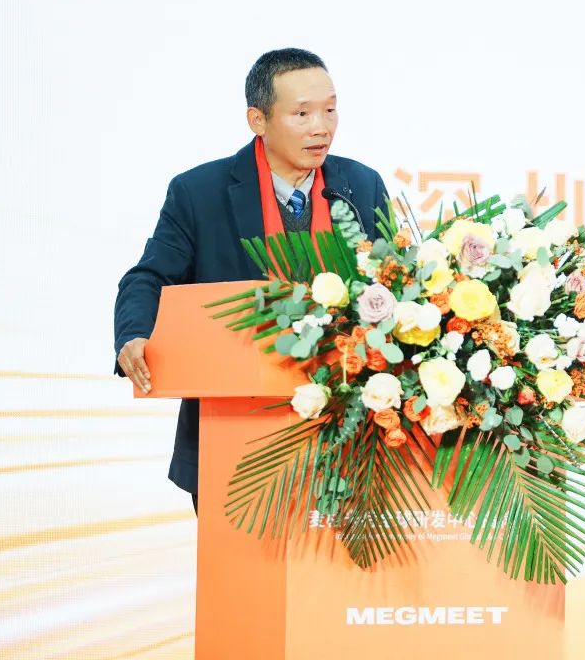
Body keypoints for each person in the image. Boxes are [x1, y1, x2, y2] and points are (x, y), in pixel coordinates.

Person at [113, 48, 387, 515]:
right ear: (257, 119)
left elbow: (390, 282)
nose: (322, 127)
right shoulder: (199, 192)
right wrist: (135, 334)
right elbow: (150, 277)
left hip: (347, 432)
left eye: (330, 109)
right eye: (302, 113)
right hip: (233, 431)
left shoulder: (361, 185)